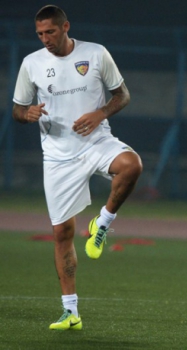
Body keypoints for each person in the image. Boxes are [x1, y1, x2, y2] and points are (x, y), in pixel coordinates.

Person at [12, 5, 143, 331]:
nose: (45, 39)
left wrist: (100, 114)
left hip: (97, 143)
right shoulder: (32, 63)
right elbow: (17, 108)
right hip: (57, 156)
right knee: (62, 234)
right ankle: (71, 312)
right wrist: (26, 114)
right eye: (40, 34)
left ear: (65, 27)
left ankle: (103, 221)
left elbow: (122, 94)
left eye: (50, 32)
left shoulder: (96, 54)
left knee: (132, 165)